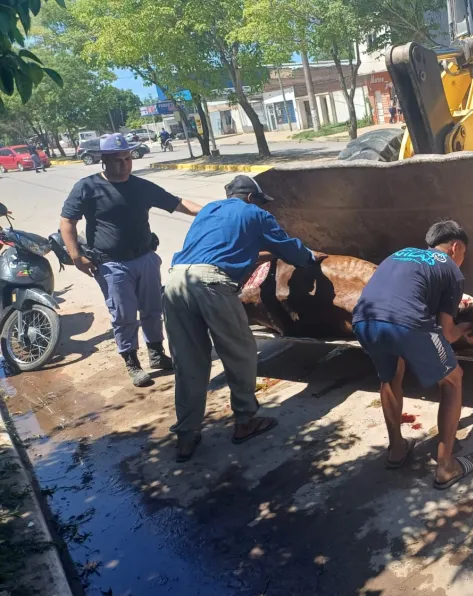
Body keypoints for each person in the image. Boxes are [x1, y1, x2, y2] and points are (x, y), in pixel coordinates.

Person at [163, 175, 324, 462]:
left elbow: (226, 251)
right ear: (251, 197)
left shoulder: (210, 210)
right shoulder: (254, 212)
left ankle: (186, 436)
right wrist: (311, 257)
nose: (263, 207)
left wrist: (263, 255)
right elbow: (289, 248)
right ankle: (245, 421)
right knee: (241, 352)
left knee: (188, 361)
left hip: (176, 282)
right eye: (261, 202)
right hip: (212, 285)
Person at [60, 133, 203, 387]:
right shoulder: (87, 187)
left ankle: (156, 353)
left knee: (153, 309)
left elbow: (178, 203)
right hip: (111, 264)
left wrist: (211, 213)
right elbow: (67, 222)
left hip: (145, 259)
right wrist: (76, 255)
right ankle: (132, 362)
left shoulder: (141, 187)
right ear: (103, 160)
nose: (124, 164)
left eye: (127, 158)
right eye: (117, 160)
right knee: (124, 315)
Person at [352, 221, 473, 490]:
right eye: (464, 254)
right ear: (456, 247)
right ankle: (446, 467)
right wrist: (469, 325)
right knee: (453, 379)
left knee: (390, 377)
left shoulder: (398, 254)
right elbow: (447, 333)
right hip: (406, 323)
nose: (462, 260)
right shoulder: (450, 270)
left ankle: (396, 449)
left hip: (363, 321)